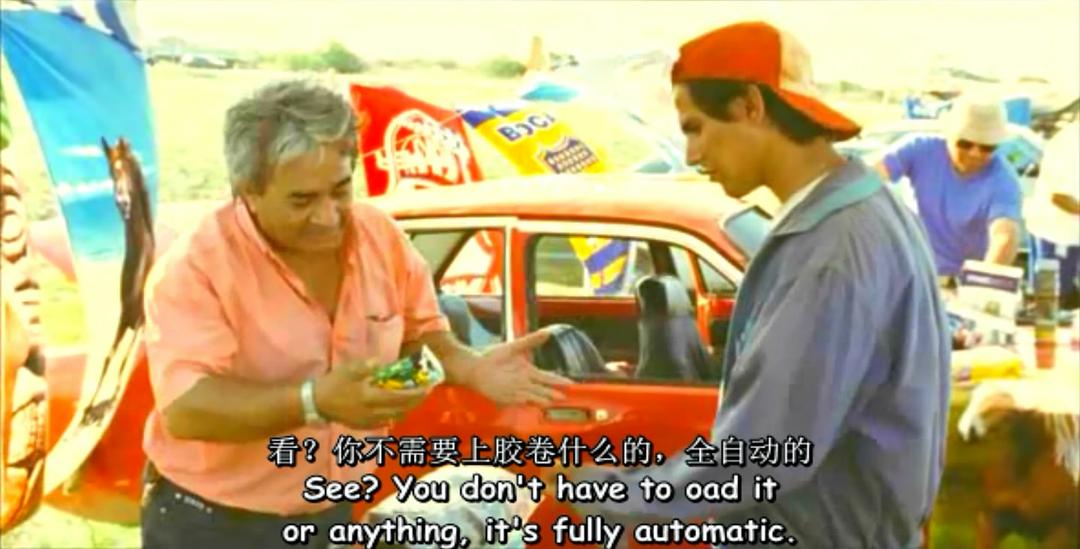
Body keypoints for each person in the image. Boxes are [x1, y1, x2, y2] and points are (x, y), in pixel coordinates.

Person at [564, 21, 951, 549]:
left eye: (696, 128)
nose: (691, 154)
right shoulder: (865, 210)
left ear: (750, 105)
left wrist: (610, 496)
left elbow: (764, 453)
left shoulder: (830, 252)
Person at [139, 79, 570, 549]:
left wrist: (470, 366)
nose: (328, 216)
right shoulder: (195, 268)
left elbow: (421, 334)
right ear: (249, 191)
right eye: (302, 200)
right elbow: (187, 410)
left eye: (341, 191)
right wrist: (314, 401)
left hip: (331, 510)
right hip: (213, 524)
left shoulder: (380, 238)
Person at [875, 95, 1024, 278]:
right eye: (965, 144)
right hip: (910, 269)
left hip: (959, 279)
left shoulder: (1003, 179)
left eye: (986, 147)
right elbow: (869, 178)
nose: (975, 153)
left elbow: (1005, 235)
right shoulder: (919, 150)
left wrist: (984, 280)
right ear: (949, 136)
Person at [1024, 121, 1079, 309]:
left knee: (1050, 299)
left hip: (1062, 233)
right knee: (1051, 302)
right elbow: (1059, 196)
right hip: (1058, 235)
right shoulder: (1072, 143)